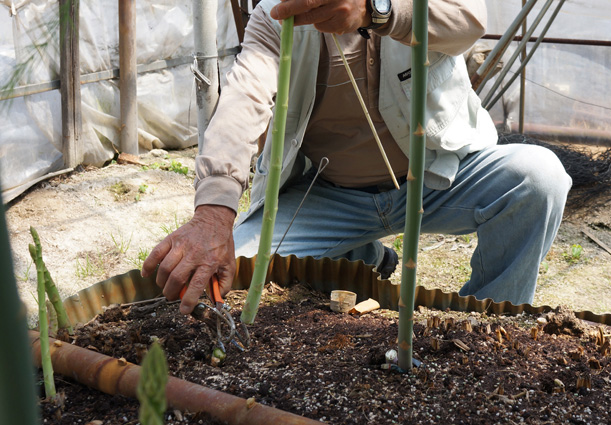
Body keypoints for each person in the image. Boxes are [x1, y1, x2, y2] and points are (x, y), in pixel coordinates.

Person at [142, 0, 572, 314]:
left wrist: (376, 11)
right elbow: (242, 102)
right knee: (234, 272)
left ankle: (490, 318)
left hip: (435, 178)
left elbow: (468, 21)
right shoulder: (278, 17)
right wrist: (214, 212)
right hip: (330, 200)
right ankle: (362, 257)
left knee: (539, 178)